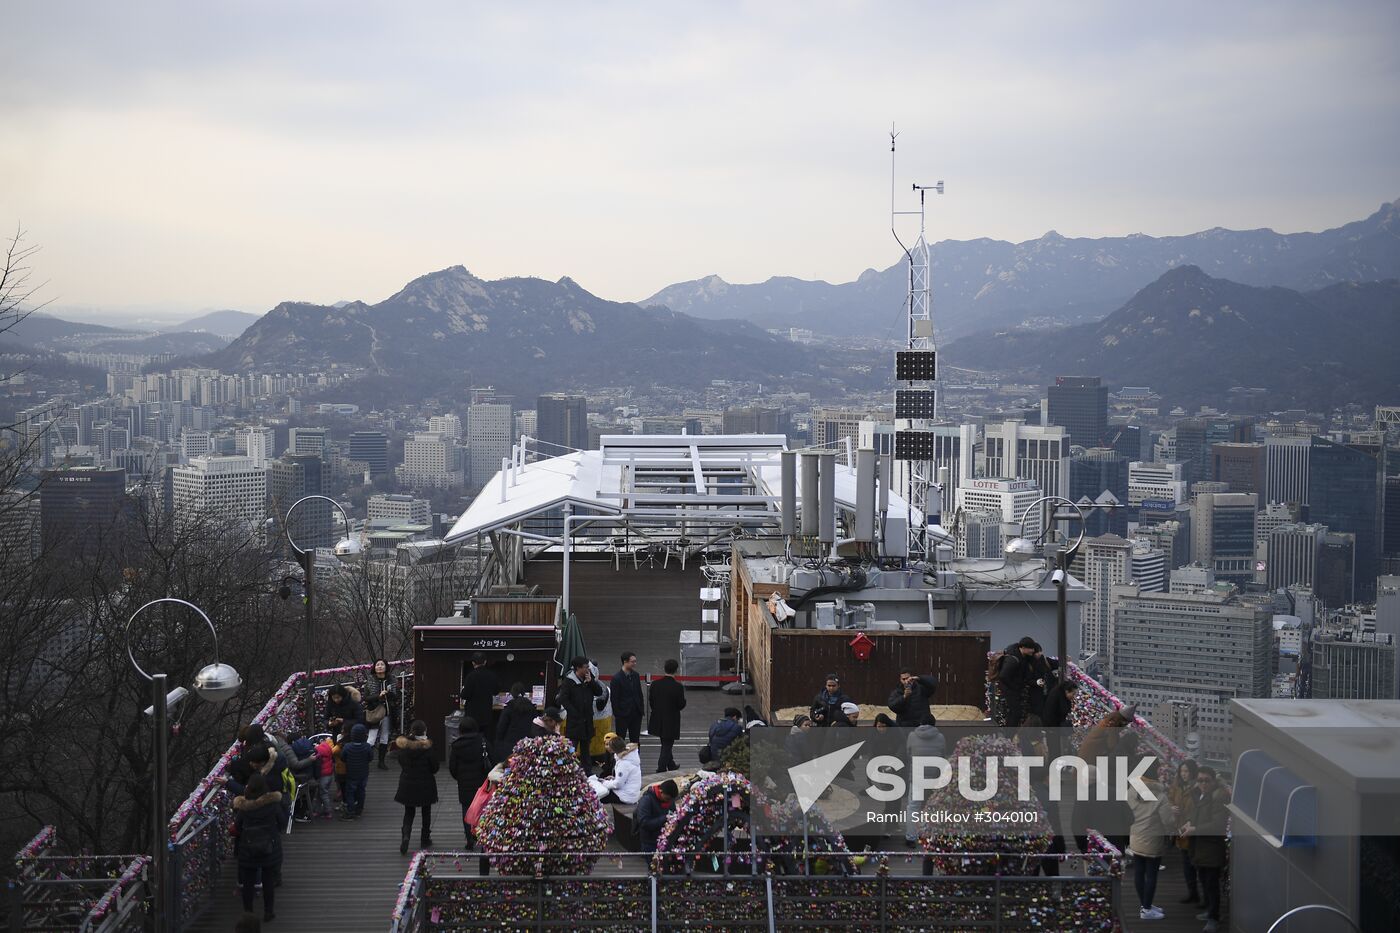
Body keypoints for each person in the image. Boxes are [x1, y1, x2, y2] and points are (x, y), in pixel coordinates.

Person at [232, 773, 287, 922]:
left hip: (248, 849)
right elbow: (282, 823)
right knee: (268, 881)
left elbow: (237, 827)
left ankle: (248, 912)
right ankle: (268, 912)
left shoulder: (244, 807)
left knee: (248, 883)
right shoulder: (273, 804)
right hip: (269, 847)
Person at [1181, 765, 1229, 933]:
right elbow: (1195, 814)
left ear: (1213, 780)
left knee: (1211, 884)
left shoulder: (1218, 796)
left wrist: (1195, 829)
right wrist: (1189, 823)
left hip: (1211, 848)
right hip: (1200, 847)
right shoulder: (1201, 794)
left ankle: (1214, 918)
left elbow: (1218, 825)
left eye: (1206, 780)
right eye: (1200, 780)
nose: (1203, 783)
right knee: (1205, 881)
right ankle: (1210, 911)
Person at [1127, 757, 1175, 922]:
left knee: (1139, 872)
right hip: (1153, 839)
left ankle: (1145, 904)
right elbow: (1168, 821)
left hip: (1135, 836)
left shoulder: (1132, 790)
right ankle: (1146, 909)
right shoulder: (1160, 795)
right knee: (1151, 875)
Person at [395, 719, 440, 854]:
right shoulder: (427, 747)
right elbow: (435, 767)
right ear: (424, 731)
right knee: (426, 811)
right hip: (425, 783)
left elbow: (401, 762)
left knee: (409, 812)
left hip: (407, 782)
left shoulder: (404, 746)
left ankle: (406, 835)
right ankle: (425, 838)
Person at [448, 715, 491, 848]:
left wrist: (460, 777)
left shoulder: (456, 746)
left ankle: (469, 839)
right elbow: (492, 758)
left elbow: (452, 767)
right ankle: (481, 835)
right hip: (482, 782)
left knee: (466, 809)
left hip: (464, 783)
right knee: (483, 808)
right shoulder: (483, 742)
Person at [557, 656, 606, 772]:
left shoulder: (589, 677)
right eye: (585, 667)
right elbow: (562, 699)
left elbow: (599, 692)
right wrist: (573, 712)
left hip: (587, 720)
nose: (588, 669)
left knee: (586, 749)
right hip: (574, 721)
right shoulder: (569, 681)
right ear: (578, 668)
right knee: (571, 748)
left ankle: (587, 771)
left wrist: (591, 682)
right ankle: (569, 770)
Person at [904, 713, 946, 846]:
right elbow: (943, 755)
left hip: (917, 777)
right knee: (932, 807)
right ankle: (930, 836)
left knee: (913, 807)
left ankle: (911, 838)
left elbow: (908, 753)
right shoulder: (940, 737)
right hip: (934, 777)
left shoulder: (912, 736)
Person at [1167, 759, 1202, 906]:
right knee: (1186, 863)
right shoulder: (1177, 786)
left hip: (1193, 829)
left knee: (1195, 863)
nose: (1184, 774)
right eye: (1182, 771)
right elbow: (1168, 799)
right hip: (1181, 829)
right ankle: (1192, 893)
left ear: (1193, 771)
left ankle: (1197, 894)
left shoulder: (1198, 788)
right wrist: (1170, 807)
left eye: (1186, 771)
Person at [647, 659, 686, 772]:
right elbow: (681, 704)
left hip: (657, 718)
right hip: (671, 719)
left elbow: (651, 701)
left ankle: (671, 764)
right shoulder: (677, 687)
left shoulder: (655, 684)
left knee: (665, 742)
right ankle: (661, 767)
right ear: (676, 670)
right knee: (667, 745)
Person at [990, 637, 1037, 726]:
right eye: (1031, 648)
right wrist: (1014, 687)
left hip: (1012, 688)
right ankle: (1010, 735)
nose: (1033, 650)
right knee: (1015, 712)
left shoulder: (1021, 656)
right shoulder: (1013, 660)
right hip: (1010, 689)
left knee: (1014, 712)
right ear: (1023, 647)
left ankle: (1010, 734)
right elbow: (1003, 676)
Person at [363, 658, 398, 770]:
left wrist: (388, 694)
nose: (380, 666)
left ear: (386, 667)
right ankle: (364, 761)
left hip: (387, 712)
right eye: (377, 665)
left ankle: (381, 762)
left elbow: (395, 696)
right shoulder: (370, 681)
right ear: (374, 667)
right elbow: (366, 698)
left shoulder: (391, 680)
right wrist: (378, 696)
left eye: (382, 664)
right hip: (375, 712)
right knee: (371, 738)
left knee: (384, 737)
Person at [588, 736, 642, 804]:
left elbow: (618, 784)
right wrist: (614, 778)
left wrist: (604, 783)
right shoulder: (630, 757)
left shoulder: (624, 763)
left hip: (625, 796)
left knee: (596, 796)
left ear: (613, 749)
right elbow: (625, 778)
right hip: (631, 793)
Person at [340, 722, 374, 820]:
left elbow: (343, 758)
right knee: (361, 791)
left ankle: (350, 811)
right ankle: (359, 809)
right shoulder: (367, 746)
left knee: (350, 792)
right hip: (363, 773)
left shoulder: (347, 746)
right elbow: (370, 758)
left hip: (351, 773)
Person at [459, 652, 499, 736]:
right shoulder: (492, 675)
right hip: (486, 713)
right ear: (485, 662)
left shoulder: (470, 676)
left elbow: (465, 695)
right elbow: (496, 691)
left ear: (473, 663)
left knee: (472, 736)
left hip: (472, 714)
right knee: (485, 737)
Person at [495, 682, 537, 759]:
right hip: (528, 743)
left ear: (512, 693)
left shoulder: (509, 707)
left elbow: (501, 727)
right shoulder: (532, 707)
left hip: (510, 743)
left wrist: (499, 741)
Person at [635, 779, 678, 853]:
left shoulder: (670, 800)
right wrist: (665, 818)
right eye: (667, 799)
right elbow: (644, 822)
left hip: (665, 840)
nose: (669, 801)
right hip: (649, 842)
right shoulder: (646, 800)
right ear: (661, 792)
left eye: (671, 799)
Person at [611, 652, 645, 744]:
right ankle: (620, 757)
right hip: (623, 714)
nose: (635, 664)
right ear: (625, 662)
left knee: (635, 740)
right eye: (632, 662)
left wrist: (641, 709)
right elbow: (614, 698)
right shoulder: (616, 678)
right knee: (620, 739)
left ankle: (635, 757)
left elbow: (639, 693)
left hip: (636, 713)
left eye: (635, 661)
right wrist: (618, 713)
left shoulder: (636, 675)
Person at [310, 734, 335, 819]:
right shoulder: (328, 750)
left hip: (323, 776)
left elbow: (314, 760)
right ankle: (317, 810)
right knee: (320, 793)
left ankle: (328, 812)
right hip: (329, 775)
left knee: (323, 794)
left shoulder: (318, 752)